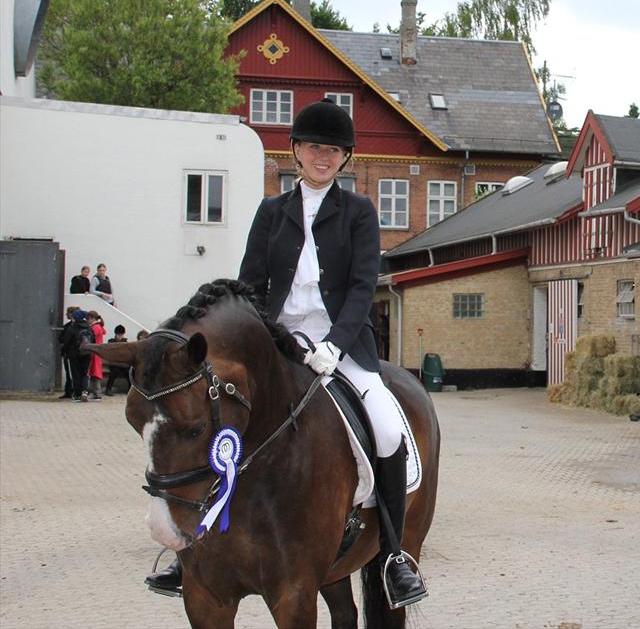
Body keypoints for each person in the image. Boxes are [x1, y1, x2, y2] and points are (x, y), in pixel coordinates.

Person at [144, 98, 428, 609]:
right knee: (212, 417)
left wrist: (334, 345)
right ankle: (192, 544)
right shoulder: (271, 211)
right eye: (315, 147)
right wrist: (258, 339)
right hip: (276, 341)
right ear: (295, 151)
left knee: (387, 427)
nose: (324, 156)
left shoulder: (359, 212)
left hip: (342, 344)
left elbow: (364, 287)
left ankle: (392, 557)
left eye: (335, 150)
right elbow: (249, 286)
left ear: (345, 159)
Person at [60, 309, 94, 403]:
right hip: (87, 354)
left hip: (74, 354)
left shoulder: (71, 328)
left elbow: (66, 342)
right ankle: (85, 391)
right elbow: (93, 341)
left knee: (76, 374)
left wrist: (63, 351)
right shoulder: (89, 328)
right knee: (85, 373)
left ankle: (77, 395)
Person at [57, 307, 81, 399]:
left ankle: (74, 392)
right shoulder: (71, 326)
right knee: (70, 372)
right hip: (73, 352)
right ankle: (69, 391)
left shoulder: (70, 327)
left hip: (71, 353)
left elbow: (63, 339)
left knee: (72, 373)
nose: (66, 314)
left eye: (68, 313)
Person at [104, 325, 131, 395]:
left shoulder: (125, 342)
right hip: (114, 363)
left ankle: (130, 389)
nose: (120, 336)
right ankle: (108, 389)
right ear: (115, 334)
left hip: (123, 364)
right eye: (118, 334)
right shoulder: (111, 342)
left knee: (128, 372)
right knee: (115, 371)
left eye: (121, 335)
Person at [86, 312, 106, 401]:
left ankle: (96, 393)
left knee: (95, 374)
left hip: (95, 353)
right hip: (97, 353)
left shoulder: (95, 328)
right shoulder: (99, 327)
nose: (87, 320)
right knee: (94, 373)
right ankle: (95, 393)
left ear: (92, 318)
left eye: (88, 319)